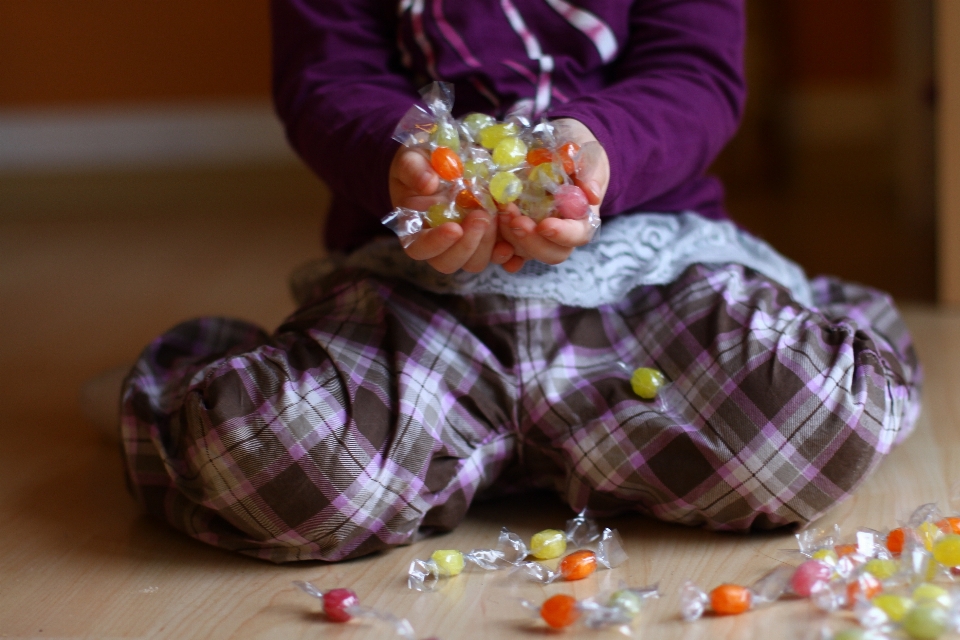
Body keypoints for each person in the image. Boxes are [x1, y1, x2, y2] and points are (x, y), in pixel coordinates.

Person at [119, 0, 921, 563]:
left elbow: (697, 73)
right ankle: (192, 378)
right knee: (269, 467)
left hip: (646, 277)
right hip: (420, 295)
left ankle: (491, 448)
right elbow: (324, 78)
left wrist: (598, 150)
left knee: (816, 417)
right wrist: (403, 161)